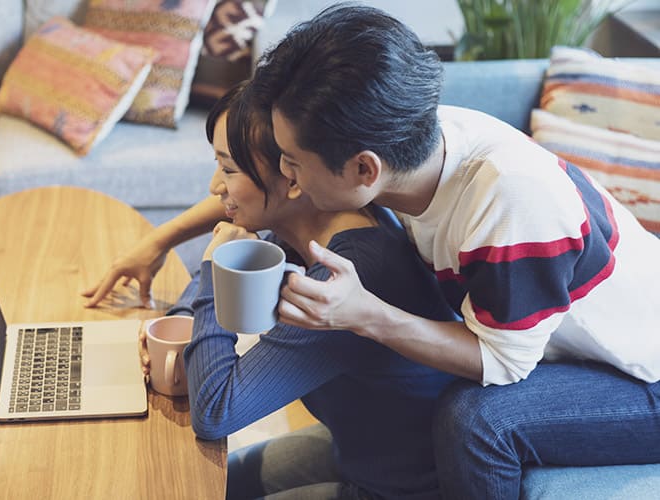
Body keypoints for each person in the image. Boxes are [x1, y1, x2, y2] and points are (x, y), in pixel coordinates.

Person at [244, 4, 660, 499]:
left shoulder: (509, 202)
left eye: (292, 161)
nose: (284, 174)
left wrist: (365, 315)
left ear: (364, 170)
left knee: (477, 420)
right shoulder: (416, 138)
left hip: (643, 375)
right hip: (566, 342)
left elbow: (503, 362)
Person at [99, 80, 459, 498]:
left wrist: (214, 270)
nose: (215, 187)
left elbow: (215, 411)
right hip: (358, 449)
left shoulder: (343, 279)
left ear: (292, 174)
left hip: (399, 488)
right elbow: (234, 261)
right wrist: (182, 321)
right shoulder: (312, 223)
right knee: (196, 484)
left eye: (228, 169)